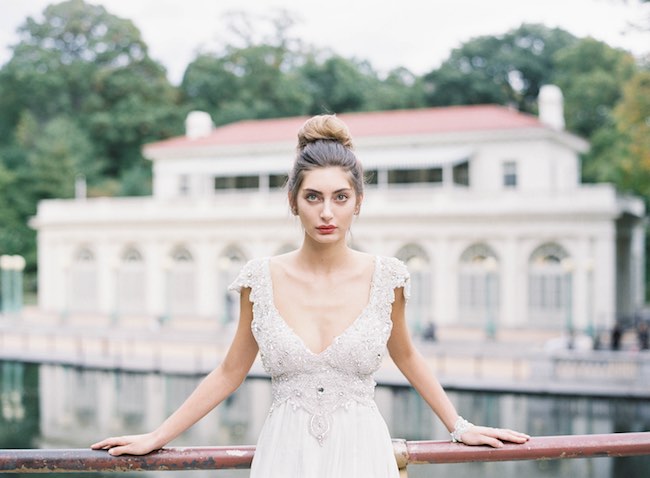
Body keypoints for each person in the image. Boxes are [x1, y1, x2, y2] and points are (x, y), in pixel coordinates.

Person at [91, 114, 530, 477]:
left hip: (364, 455)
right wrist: (156, 438)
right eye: (313, 197)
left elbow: (409, 356)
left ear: (358, 201)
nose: (326, 212)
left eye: (340, 197)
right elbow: (229, 372)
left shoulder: (386, 277)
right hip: (285, 455)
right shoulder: (259, 279)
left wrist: (459, 426)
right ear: (292, 201)